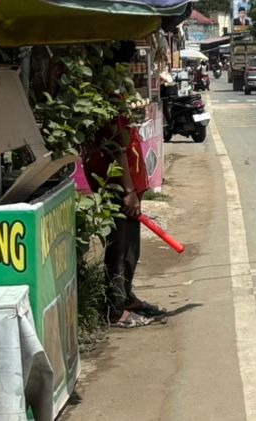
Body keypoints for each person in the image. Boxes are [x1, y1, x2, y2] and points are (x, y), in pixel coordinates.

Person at [81, 47, 166, 329]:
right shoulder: (105, 103)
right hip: (118, 188)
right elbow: (116, 148)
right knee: (119, 251)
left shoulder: (113, 99)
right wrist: (128, 190)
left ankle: (126, 297)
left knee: (130, 250)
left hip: (128, 187)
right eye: (129, 65)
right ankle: (115, 310)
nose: (132, 71)